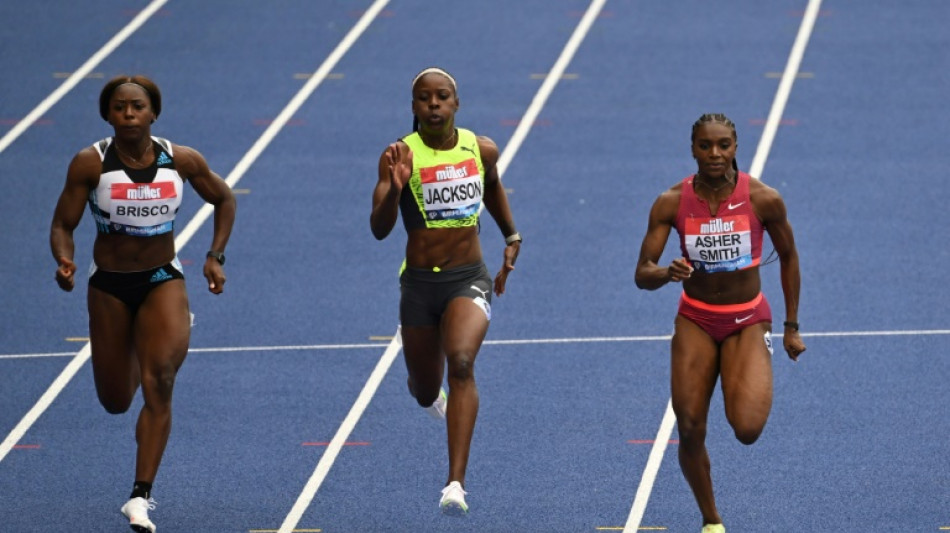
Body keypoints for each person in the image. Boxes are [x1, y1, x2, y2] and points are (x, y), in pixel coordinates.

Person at [49, 75, 236, 533]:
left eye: (137, 106)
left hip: (161, 279)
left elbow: (224, 198)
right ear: (107, 115)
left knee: (161, 380)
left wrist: (215, 256)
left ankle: (139, 496)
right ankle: (141, 341)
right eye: (119, 107)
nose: (128, 114)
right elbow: (62, 224)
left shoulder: (182, 160)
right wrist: (64, 260)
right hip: (109, 286)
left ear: (154, 112)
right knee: (116, 401)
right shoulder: (90, 163)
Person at [634, 113, 805, 533]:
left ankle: (747, 366)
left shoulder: (764, 199)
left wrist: (791, 325)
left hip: (747, 319)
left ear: (735, 148)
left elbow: (789, 257)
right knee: (690, 427)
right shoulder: (670, 202)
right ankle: (712, 521)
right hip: (695, 319)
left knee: (747, 429)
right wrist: (667, 273)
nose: (714, 153)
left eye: (723, 145)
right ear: (692, 149)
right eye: (705, 145)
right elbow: (643, 273)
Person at [370, 67, 521, 516]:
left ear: (456, 103)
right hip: (419, 285)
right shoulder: (398, 154)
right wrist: (395, 190)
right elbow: (379, 229)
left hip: (467, 277)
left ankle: (455, 483)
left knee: (462, 362)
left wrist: (511, 235)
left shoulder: (481, 148)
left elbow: (492, 185)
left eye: (441, 97)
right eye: (424, 98)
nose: (433, 104)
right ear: (414, 107)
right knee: (423, 390)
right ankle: (429, 394)